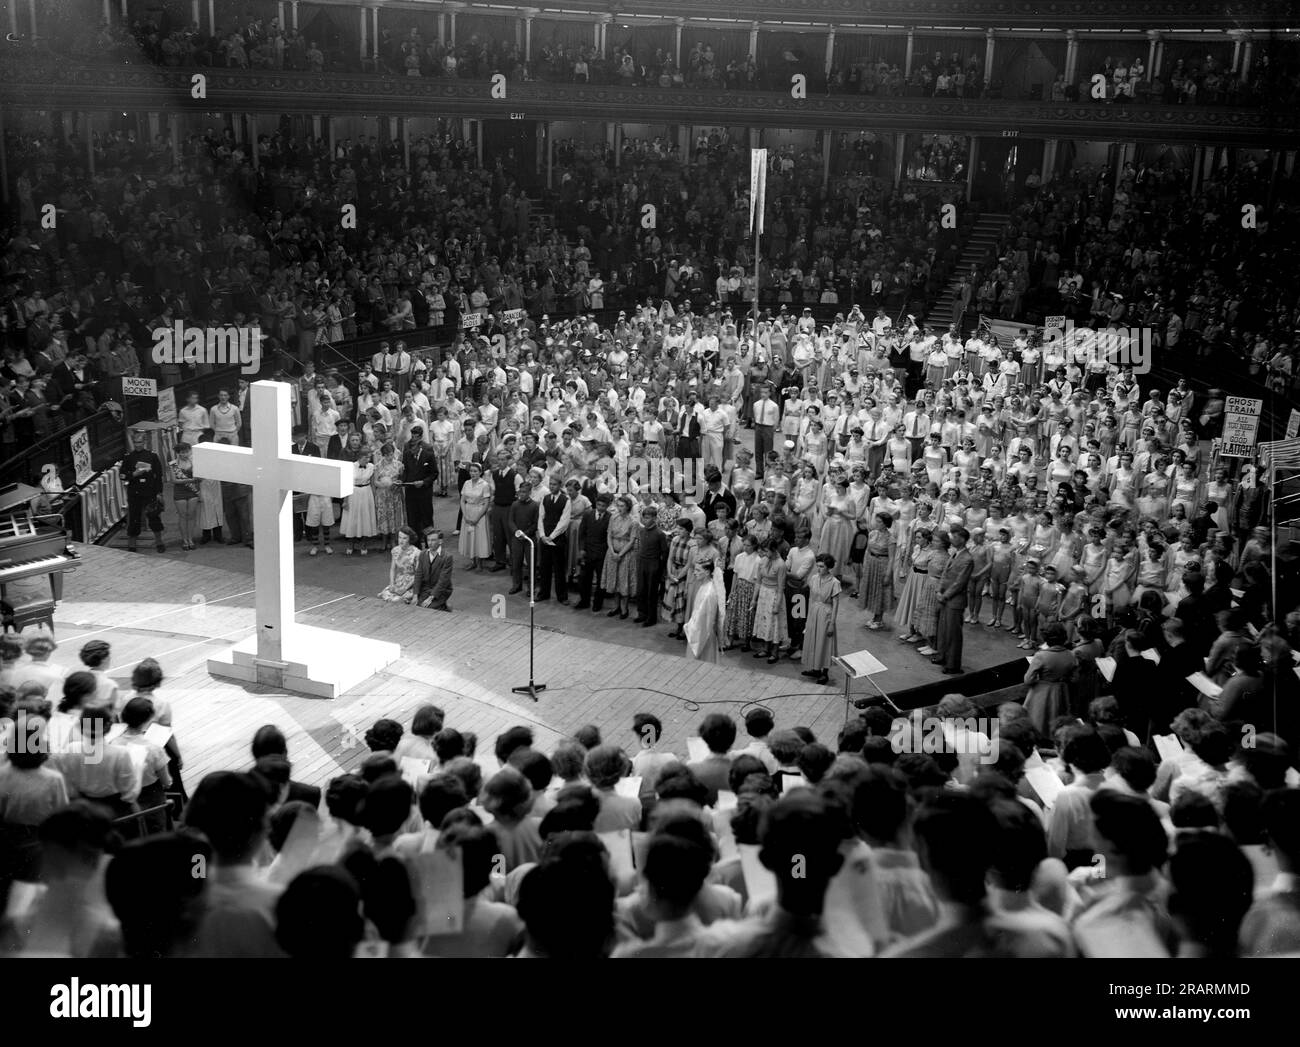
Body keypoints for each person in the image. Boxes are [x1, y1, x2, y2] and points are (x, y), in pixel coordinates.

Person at [1023, 623, 1079, 736]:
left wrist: (1040, 679)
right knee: (1057, 717)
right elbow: (1074, 678)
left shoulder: (1041, 656)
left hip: (1042, 691)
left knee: (1039, 717)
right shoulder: (1071, 655)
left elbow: (1028, 679)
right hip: (1062, 690)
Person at [933, 525, 974, 674]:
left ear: (962, 539)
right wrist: (939, 590)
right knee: (943, 630)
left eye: (954, 536)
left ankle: (953, 665)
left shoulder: (967, 559)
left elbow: (960, 582)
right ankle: (943, 655)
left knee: (953, 634)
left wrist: (945, 595)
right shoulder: (954, 554)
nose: (952, 539)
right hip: (945, 597)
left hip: (954, 600)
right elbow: (945, 574)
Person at [121, 427, 165, 553]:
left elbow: (159, 475)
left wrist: (159, 492)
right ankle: (132, 545)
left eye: (139, 442)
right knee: (134, 518)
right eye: (135, 442)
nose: (137, 445)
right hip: (134, 492)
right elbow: (122, 475)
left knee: (154, 517)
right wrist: (133, 474)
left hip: (149, 491)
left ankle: (159, 542)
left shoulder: (152, 456)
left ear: (144, 442)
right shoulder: (128, 457)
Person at [800, 554, 841, 685]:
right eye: (817, 566)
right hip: (814, 612)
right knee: (813, 639)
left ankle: (824, 673)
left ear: (828, 567)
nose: (819, 569)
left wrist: (831, 624)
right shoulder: (813, 578)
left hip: (826, 614)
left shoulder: (835, 583)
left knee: (824, 642)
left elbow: (835, 606)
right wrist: (808, 617)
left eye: (822, 566)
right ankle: (815, 669)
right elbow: (812, 598)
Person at [535, 475, 571, 603]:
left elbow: (564, 522)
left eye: (554, 484)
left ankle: (562, 596)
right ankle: (543, 593)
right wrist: (543, 535)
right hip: (545, 537)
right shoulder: (545, 499)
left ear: (560, 486)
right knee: (544, 567)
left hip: (558, 538)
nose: (551, 486)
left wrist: (552, 536)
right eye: (550, 484)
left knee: (559, 568)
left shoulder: (565, 500)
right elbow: (541, 518)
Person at [574, 492, 612, 612]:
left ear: (607, 506)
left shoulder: (610, 517)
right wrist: (581, 549)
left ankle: (597, 603)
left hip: (602, 554)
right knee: (584, 578)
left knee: (601, 580)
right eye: (599, 505)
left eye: (603, 506)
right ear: (596, 504)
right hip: (588, 552)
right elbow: (582, 534)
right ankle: (584, 601)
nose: (600, 508)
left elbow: (609, 537)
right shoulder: (588, 515)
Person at [685, 557, 727, 663]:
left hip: (702, 636)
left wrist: (688, 627)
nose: (694, 573)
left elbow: (702, 620)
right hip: (703, 632)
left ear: (707, 572)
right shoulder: (706, 585)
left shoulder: (708, 594)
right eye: (695, 569)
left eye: (698, 570)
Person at [635, 506, 669, 627]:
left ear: (654, 518)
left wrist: (660, 567)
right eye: (644, 517)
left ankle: (651, 617)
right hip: (642, 563)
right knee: (641, 590)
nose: (645, 520)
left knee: (651, 592)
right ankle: (642, 613)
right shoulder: (642, 531)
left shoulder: (660, 534)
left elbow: (664, 552)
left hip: (653, 564)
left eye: (648, 517)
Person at [458, 461, 493, 571]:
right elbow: (462, 500)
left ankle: (480, 563)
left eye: (475, 471)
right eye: (471, 471)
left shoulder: (485, 485)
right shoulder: (467, 483)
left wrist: (477, 518)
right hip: (468, 511)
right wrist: (465, 515)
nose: (473, 473)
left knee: (479, 537)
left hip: (479, 512)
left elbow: (486, 503)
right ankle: (472, 561)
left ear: (480, 472)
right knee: (469, 536)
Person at [402, 426, 438, 534]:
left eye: (414, 449)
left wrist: (424, 482)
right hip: (411, 492)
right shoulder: (407, 453)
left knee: (426, 518)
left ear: (419, 447)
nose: (411, 452)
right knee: (412, 519)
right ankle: (415, 544)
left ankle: (429, 543)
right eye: (410, 449)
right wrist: (402, 481)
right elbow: (405, 470)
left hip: (424, 492)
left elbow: (434, 473)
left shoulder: (428, 453)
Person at [412, 528, 454, 611]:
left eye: (433, 540)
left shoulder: (447, 557)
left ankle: (444, 607)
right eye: (428, 540)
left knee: (427, 608)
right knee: (417, 605)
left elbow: (443, 580)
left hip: (441, 590)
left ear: (440, 541)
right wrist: (415, 594)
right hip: (426, 589)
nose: (430, 543)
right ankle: (441, 605)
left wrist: (431, 597)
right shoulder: (423, 554)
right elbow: (418, 575)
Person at [378, 525, 421, 603]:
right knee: (386, 594)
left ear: (409, 539)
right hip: (399, 581)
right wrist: (391, 583)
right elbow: (393, 569)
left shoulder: (416, 553)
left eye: (404, 538)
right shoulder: (395, 550)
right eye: (400, 537)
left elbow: (418, 574)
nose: (401, 540)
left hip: (412, 584)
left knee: (399, 600)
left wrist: (405, 588)